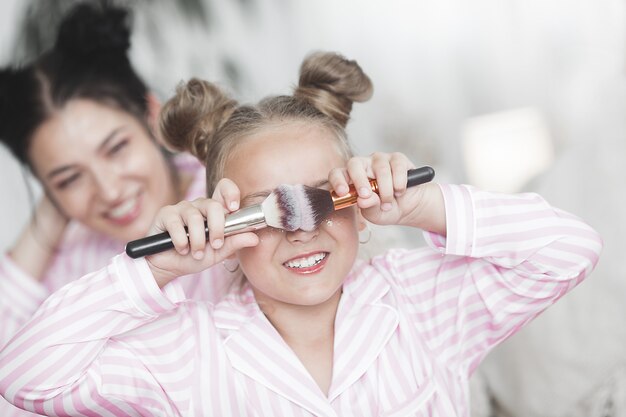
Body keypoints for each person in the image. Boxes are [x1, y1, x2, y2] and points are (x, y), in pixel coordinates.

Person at [0, 51, 602, 416]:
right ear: (228, 225)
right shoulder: (184, 351)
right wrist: (156, 270)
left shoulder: (422, 302)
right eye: (269, 211)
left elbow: (569, 249)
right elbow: (25, 376)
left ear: (358, 202)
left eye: (323, 198)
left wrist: (424, 206)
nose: (302, 229)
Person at [0, 4, 230, 416]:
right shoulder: (72, 261)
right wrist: (45, 226)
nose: (108, 190)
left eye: (117, 148)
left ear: (152, 116)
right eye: (69, 178)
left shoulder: (234, 193)